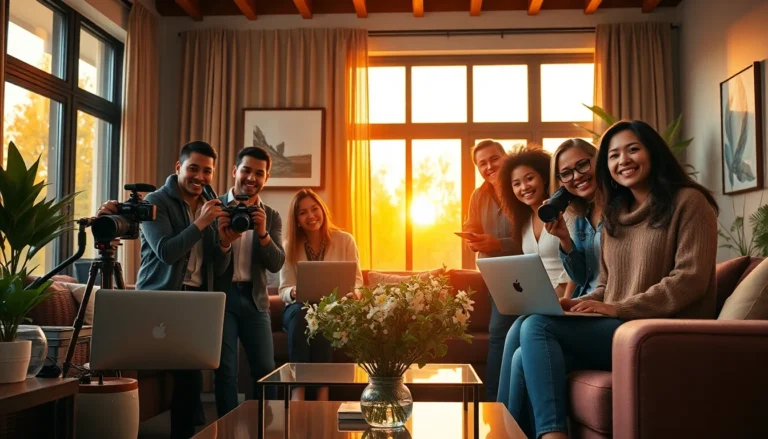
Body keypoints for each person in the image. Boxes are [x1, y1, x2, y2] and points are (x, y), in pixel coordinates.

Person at [497, 120, 719, 439]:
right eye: (614, 155)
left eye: (632, 149)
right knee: (524, 343)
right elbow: (605, 285)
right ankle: (507, 435)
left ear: (653, 151)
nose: (622, 160)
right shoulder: (616, 213)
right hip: (624, 326)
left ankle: (551, 436)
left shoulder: (689, 202)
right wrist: (578, 303)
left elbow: (690, 279)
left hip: (663, 331)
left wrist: (619, 308)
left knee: (536, 326)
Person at [97, 141, 235, 439]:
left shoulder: (211, 204)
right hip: (160, 298)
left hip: (196, 300)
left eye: (207, 171)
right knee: (187, 374)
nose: (200, 176)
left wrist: (225, 242)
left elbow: (218, 267)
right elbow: (166, 252)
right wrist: (200, 223)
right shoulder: (154, 204)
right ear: (178, 167)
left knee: (192, 373)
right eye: (193, 168)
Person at [213, 146, 286, 417]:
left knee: (266, 369)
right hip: (222, 298)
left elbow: (276, 263)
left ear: (266, 178)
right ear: (235, 171)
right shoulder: (214, 208)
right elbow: (209, 261)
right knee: (226, 369)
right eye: (246, 170)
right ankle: (226, 428)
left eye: (259, 173)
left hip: (255, 299)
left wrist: (263, 233)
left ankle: (267, 428)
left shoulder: (271, 215)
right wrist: (223, 241)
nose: (251, 178)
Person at [278, 189, 363, 401]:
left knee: (324, 316)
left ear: (323, 211)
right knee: (302, 315)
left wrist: (353, 295)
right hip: (298, 309)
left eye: (315, 209)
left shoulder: (345, 240)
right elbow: (283, 290)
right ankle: (298, 391)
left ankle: (322, 392)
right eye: (303, 212)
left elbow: (358, 282)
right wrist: (294, 291)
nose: (311, 216)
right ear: (296, 219)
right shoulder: (289, 246)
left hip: (333, 308)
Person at [462, 140, 522, 402]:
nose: (489, 166)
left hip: (525, 270)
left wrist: (499, 244)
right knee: (499, 336)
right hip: (495, 274)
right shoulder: (478, 195)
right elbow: (471, 224)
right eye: (482, 163)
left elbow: (536, 237)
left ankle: (504, 403)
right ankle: (493, 404)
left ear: (506, 157)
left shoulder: (521, 186)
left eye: (494, 159)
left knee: (510, 335)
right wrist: (472, 237)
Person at [497, 147, 574, 298]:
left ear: (544, 178)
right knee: (517, 322)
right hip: (539, 299)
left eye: (529, 178)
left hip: (568, 297)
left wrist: (558, 297)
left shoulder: (567, 213)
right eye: (516, 184)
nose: (524, 187)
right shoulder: (524, 223)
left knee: (527, 323)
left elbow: (578, 262)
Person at [546, 139, 602, 299]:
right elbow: (581, 278)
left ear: (599, 160)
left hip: (607, 303)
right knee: (524, 319)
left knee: (534, 323)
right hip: (586, 300)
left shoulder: (622, 211)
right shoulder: (581, 218)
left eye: (582, 164)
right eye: (566, 173)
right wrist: (565, 240)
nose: (576, 176)